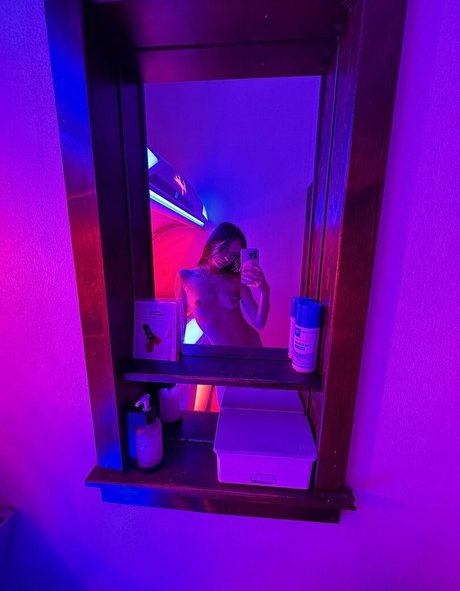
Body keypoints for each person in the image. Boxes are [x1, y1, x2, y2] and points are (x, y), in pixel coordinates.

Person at [175, 222, 270, 410]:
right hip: (222, 358)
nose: (227, 257)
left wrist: (265, 291)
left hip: (252, 350)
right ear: (213, 242)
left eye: (234, 255)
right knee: (229, 410)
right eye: (225, 248)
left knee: (255, 408)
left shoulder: (235, 280)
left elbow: (259, 322)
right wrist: (174, 355)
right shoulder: (184, 277)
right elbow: (179, 325)